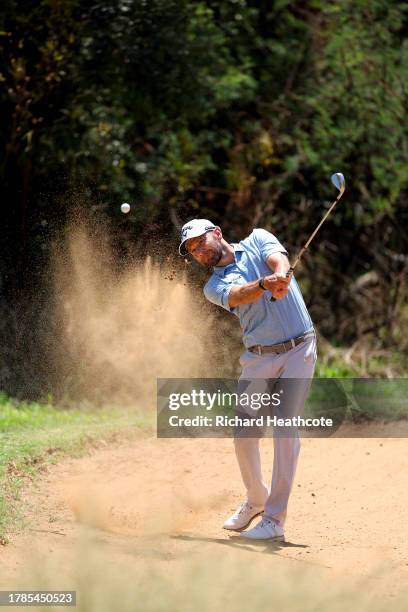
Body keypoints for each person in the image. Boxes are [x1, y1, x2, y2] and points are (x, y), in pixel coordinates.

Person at [178, 219, 317, 541]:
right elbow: (239, 295)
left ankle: (274, 520)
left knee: (285, 429)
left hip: (300, 349)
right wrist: (266, 286)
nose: (198, 252)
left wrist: (280, 274)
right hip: (259, 357)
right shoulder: (212, 287)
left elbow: (276, 257)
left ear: (217, 233)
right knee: (244, 435)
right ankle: (256, 499)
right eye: (192, 251)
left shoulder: (258, 238)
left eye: (200, 243)